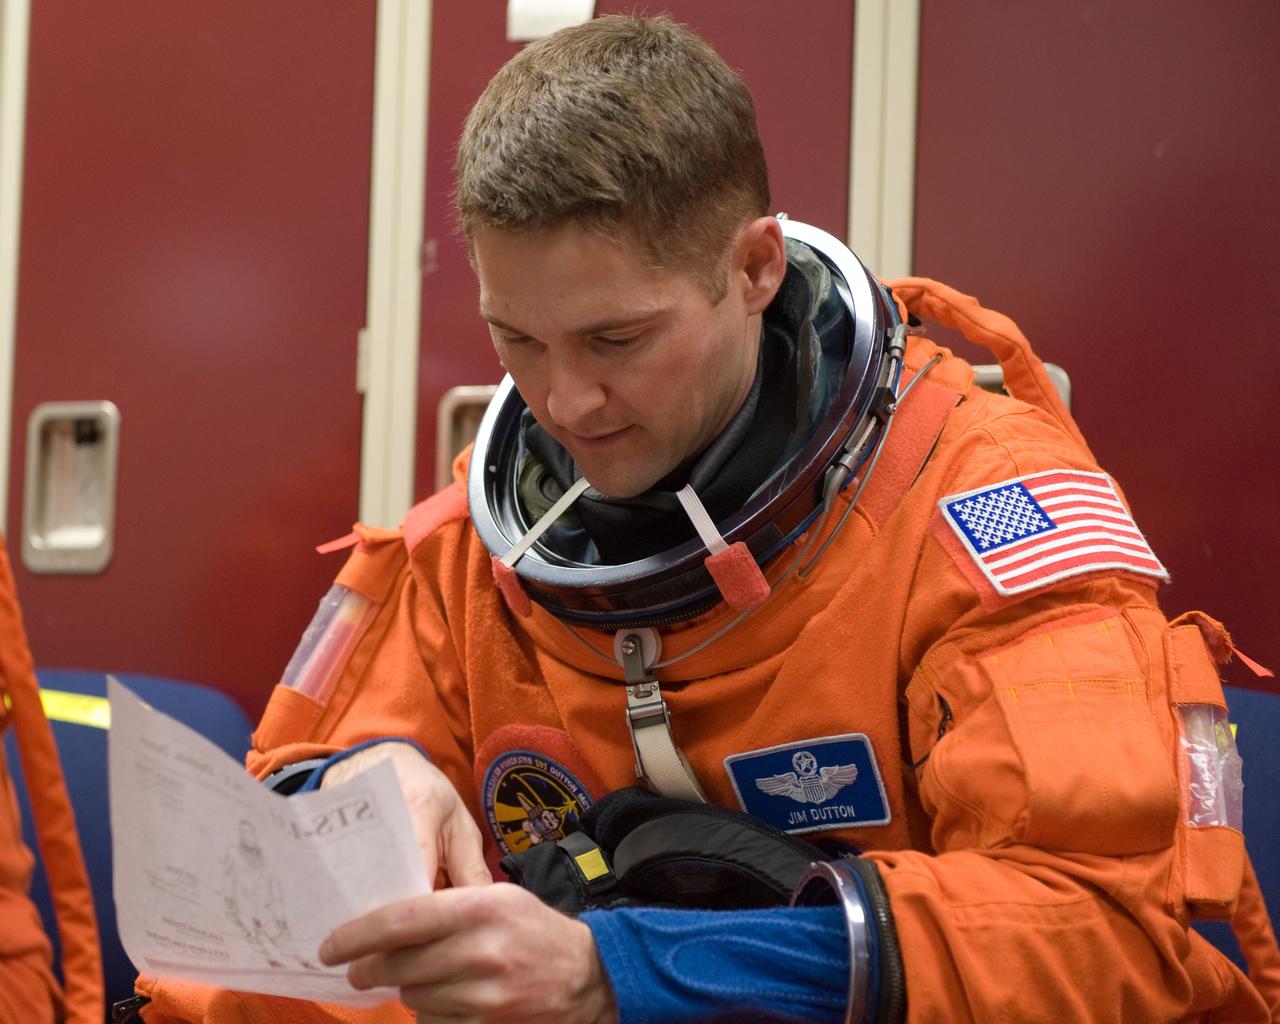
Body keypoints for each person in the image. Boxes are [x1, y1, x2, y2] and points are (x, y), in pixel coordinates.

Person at [132, 14, 1280, 1023]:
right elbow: (281, 851)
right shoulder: (476, 543)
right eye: (516, 342)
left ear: (754, 266)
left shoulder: (975, 503)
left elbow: (1105, 931)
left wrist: (621, 972)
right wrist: (361, 795)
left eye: (616, 340)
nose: (563, 402)